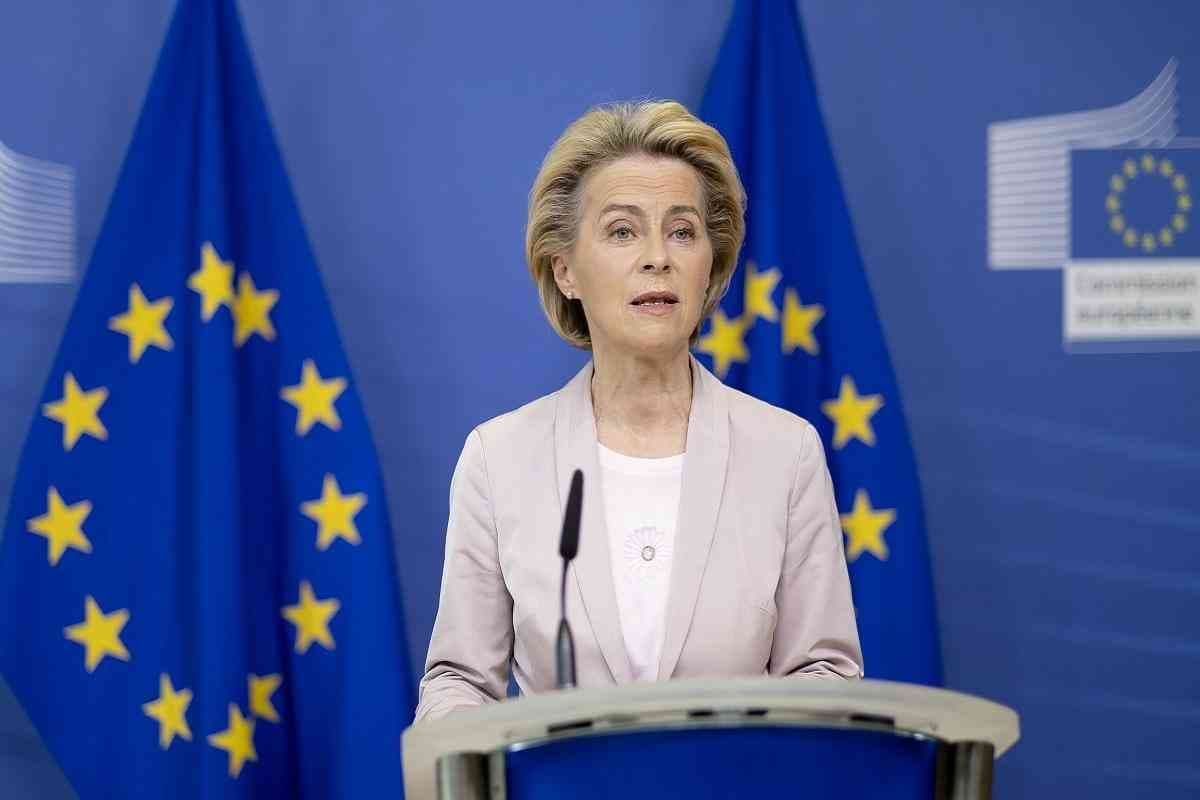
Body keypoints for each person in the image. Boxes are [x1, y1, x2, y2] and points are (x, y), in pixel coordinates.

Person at [415, 100, 862, 722]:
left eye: (682, 232)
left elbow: (823, 673)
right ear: (565, 271)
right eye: (623, 231)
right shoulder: (501, 458)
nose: (658, 257)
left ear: (710, 266)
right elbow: (459, 681)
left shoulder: (784, 453)